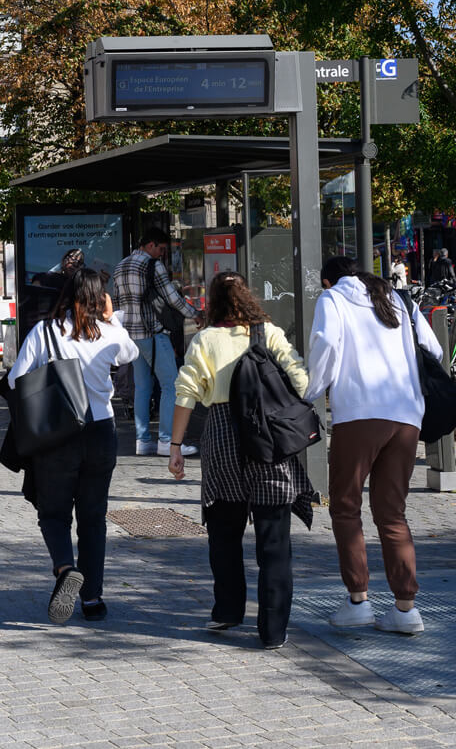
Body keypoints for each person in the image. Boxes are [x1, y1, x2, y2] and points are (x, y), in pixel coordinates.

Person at [167, 271, 314, 650]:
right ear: (248, 296)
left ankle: (229, 610)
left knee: (224, 532)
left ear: (213, 301)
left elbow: (185, 393)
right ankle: (273, 630)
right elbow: (301, 381)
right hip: (267, 438)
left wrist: (176, 446)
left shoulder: (204, 340)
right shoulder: (269, 333)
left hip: (221, 437)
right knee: (274, 538)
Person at [304, 255, 441, 636]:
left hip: (359, 413)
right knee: (393, 513)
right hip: (407, 415)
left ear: (329, 281)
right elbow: (434, 350)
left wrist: (310, 391)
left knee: (346, 507)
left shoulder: (333, 299)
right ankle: (406, 608)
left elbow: (326, 344)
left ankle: (358, 601)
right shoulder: (398, 299)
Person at [5, 268, 138, 624]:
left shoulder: (45, 331)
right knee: (93, 518)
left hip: (58, 435)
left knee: (53, 513)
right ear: (100, 297)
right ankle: (92, 599)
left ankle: (65, 567)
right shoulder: (110, 333)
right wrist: (111, 317)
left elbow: (16, 380)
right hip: (101, 431)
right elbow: (130, 353)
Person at [112, 228, 203, 456]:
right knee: (171, 385)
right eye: (161, 249)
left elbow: (116, 301)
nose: (162, 254)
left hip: (131, 335)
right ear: (150, 245)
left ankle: (142, 440)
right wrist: (195, 314)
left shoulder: (121, 265)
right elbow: (172, 298)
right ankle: (166, 440)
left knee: (142, 387)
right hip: (152, 332)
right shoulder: (152, 265)